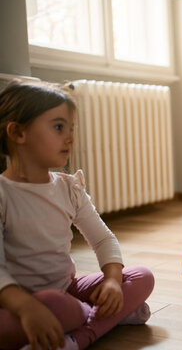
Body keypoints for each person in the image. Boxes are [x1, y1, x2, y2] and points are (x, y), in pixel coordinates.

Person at [0, 80, 155, 350]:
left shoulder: (69, 188)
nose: (70, 137)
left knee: (142, 276)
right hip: (15, 303)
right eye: (59, 127)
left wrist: (112, 281)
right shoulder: (4, 194)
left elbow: (103, 240)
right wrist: (26, 308)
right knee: (50, 307)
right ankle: (109, 316)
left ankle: (77, 337)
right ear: (18, 133)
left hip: (66, 290)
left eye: (71, 129)